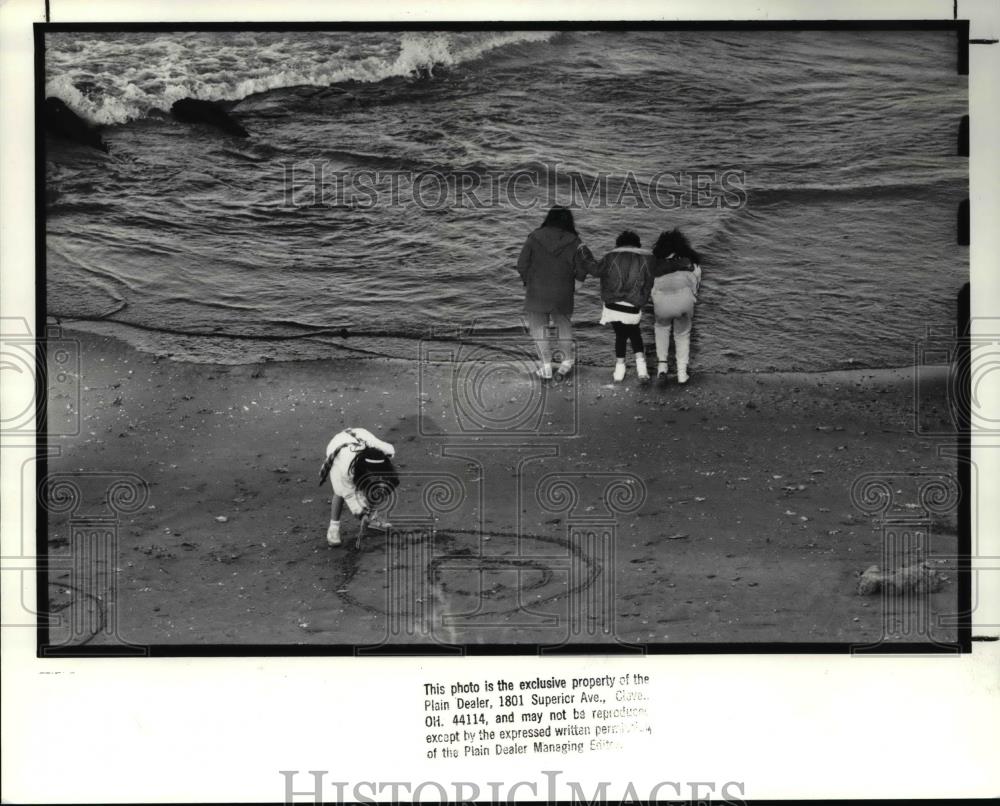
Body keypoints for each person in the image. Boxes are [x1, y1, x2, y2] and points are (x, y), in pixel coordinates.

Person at [516, 206, 596, 379]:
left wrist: (527, 282)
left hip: (537, 291)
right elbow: (585, 264)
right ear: (568, 221)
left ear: (548, 218)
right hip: (563, 291)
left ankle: (545, 367)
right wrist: (579, 282)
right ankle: (566, 363)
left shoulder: (533, 237)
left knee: (538, 328)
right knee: (563, 325)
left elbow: (521, 264)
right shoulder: (575, 241)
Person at [590, 230, 654, 382]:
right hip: (633, 309)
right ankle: (642, 370)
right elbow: (649, 284)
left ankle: (619, 370)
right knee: (635, 333)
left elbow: (595, 271)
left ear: (618, 244)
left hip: (612, 307)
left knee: (620, 335)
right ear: (637, 245)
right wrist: (642, 300)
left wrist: (584, 254)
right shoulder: (646, 259)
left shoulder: (610, 257)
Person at [318, 427, 399, 546]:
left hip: (361, 435)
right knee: (339, 492)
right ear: (364, 470)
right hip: (337, 448)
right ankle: (333, 529)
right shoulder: (346, 468)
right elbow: (349, 494)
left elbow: (390, 479)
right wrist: (361, 514)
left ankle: (373, 518)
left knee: (374, 488)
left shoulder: (382, 454)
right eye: (373, 475)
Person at [651, 228, 702, 384]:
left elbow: (650, 285)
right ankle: (681, 373)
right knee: (682, 334)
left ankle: (662, 367)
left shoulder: (655, 263)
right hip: (684, 301)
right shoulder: (692, 262)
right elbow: (696, 286)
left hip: (661, 302)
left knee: (661, 328)